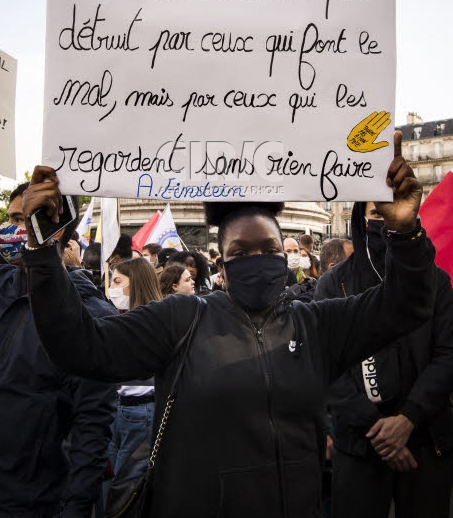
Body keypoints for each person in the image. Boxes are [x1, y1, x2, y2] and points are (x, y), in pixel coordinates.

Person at [24, 135, 437, 518]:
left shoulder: (318, 325)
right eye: (241, 252)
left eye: (270, 249)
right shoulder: (181, 319)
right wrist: (42, 251)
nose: (257, 258)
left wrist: (405, 231)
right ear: (222, 265)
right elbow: (81, 345)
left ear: (284, 258)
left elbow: (407, 305)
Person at [314, 201, 453, 518]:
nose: (387, 222)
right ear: (362, 220)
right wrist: (378, 429)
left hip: (427, 442)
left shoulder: (438, 283)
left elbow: (448, 354)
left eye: (395, 214)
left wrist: (408, 418)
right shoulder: (334, 286)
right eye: (378, 215)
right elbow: (325, 364)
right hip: (360, 445)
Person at [0, 182, 117, 518]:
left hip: (31, 502)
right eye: (11, 218)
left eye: (24, 219)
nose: (12, 230)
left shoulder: (89, 316)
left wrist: (75, 506)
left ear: (55, 232)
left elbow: (92, 426)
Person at [104, 258, 163, 510]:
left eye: (117, 282)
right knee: (111, 485)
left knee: (128, 490)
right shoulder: (117, 319)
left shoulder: (157, 321)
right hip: (116, 411)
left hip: (142, 411)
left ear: (135, 284)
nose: (113, 289)